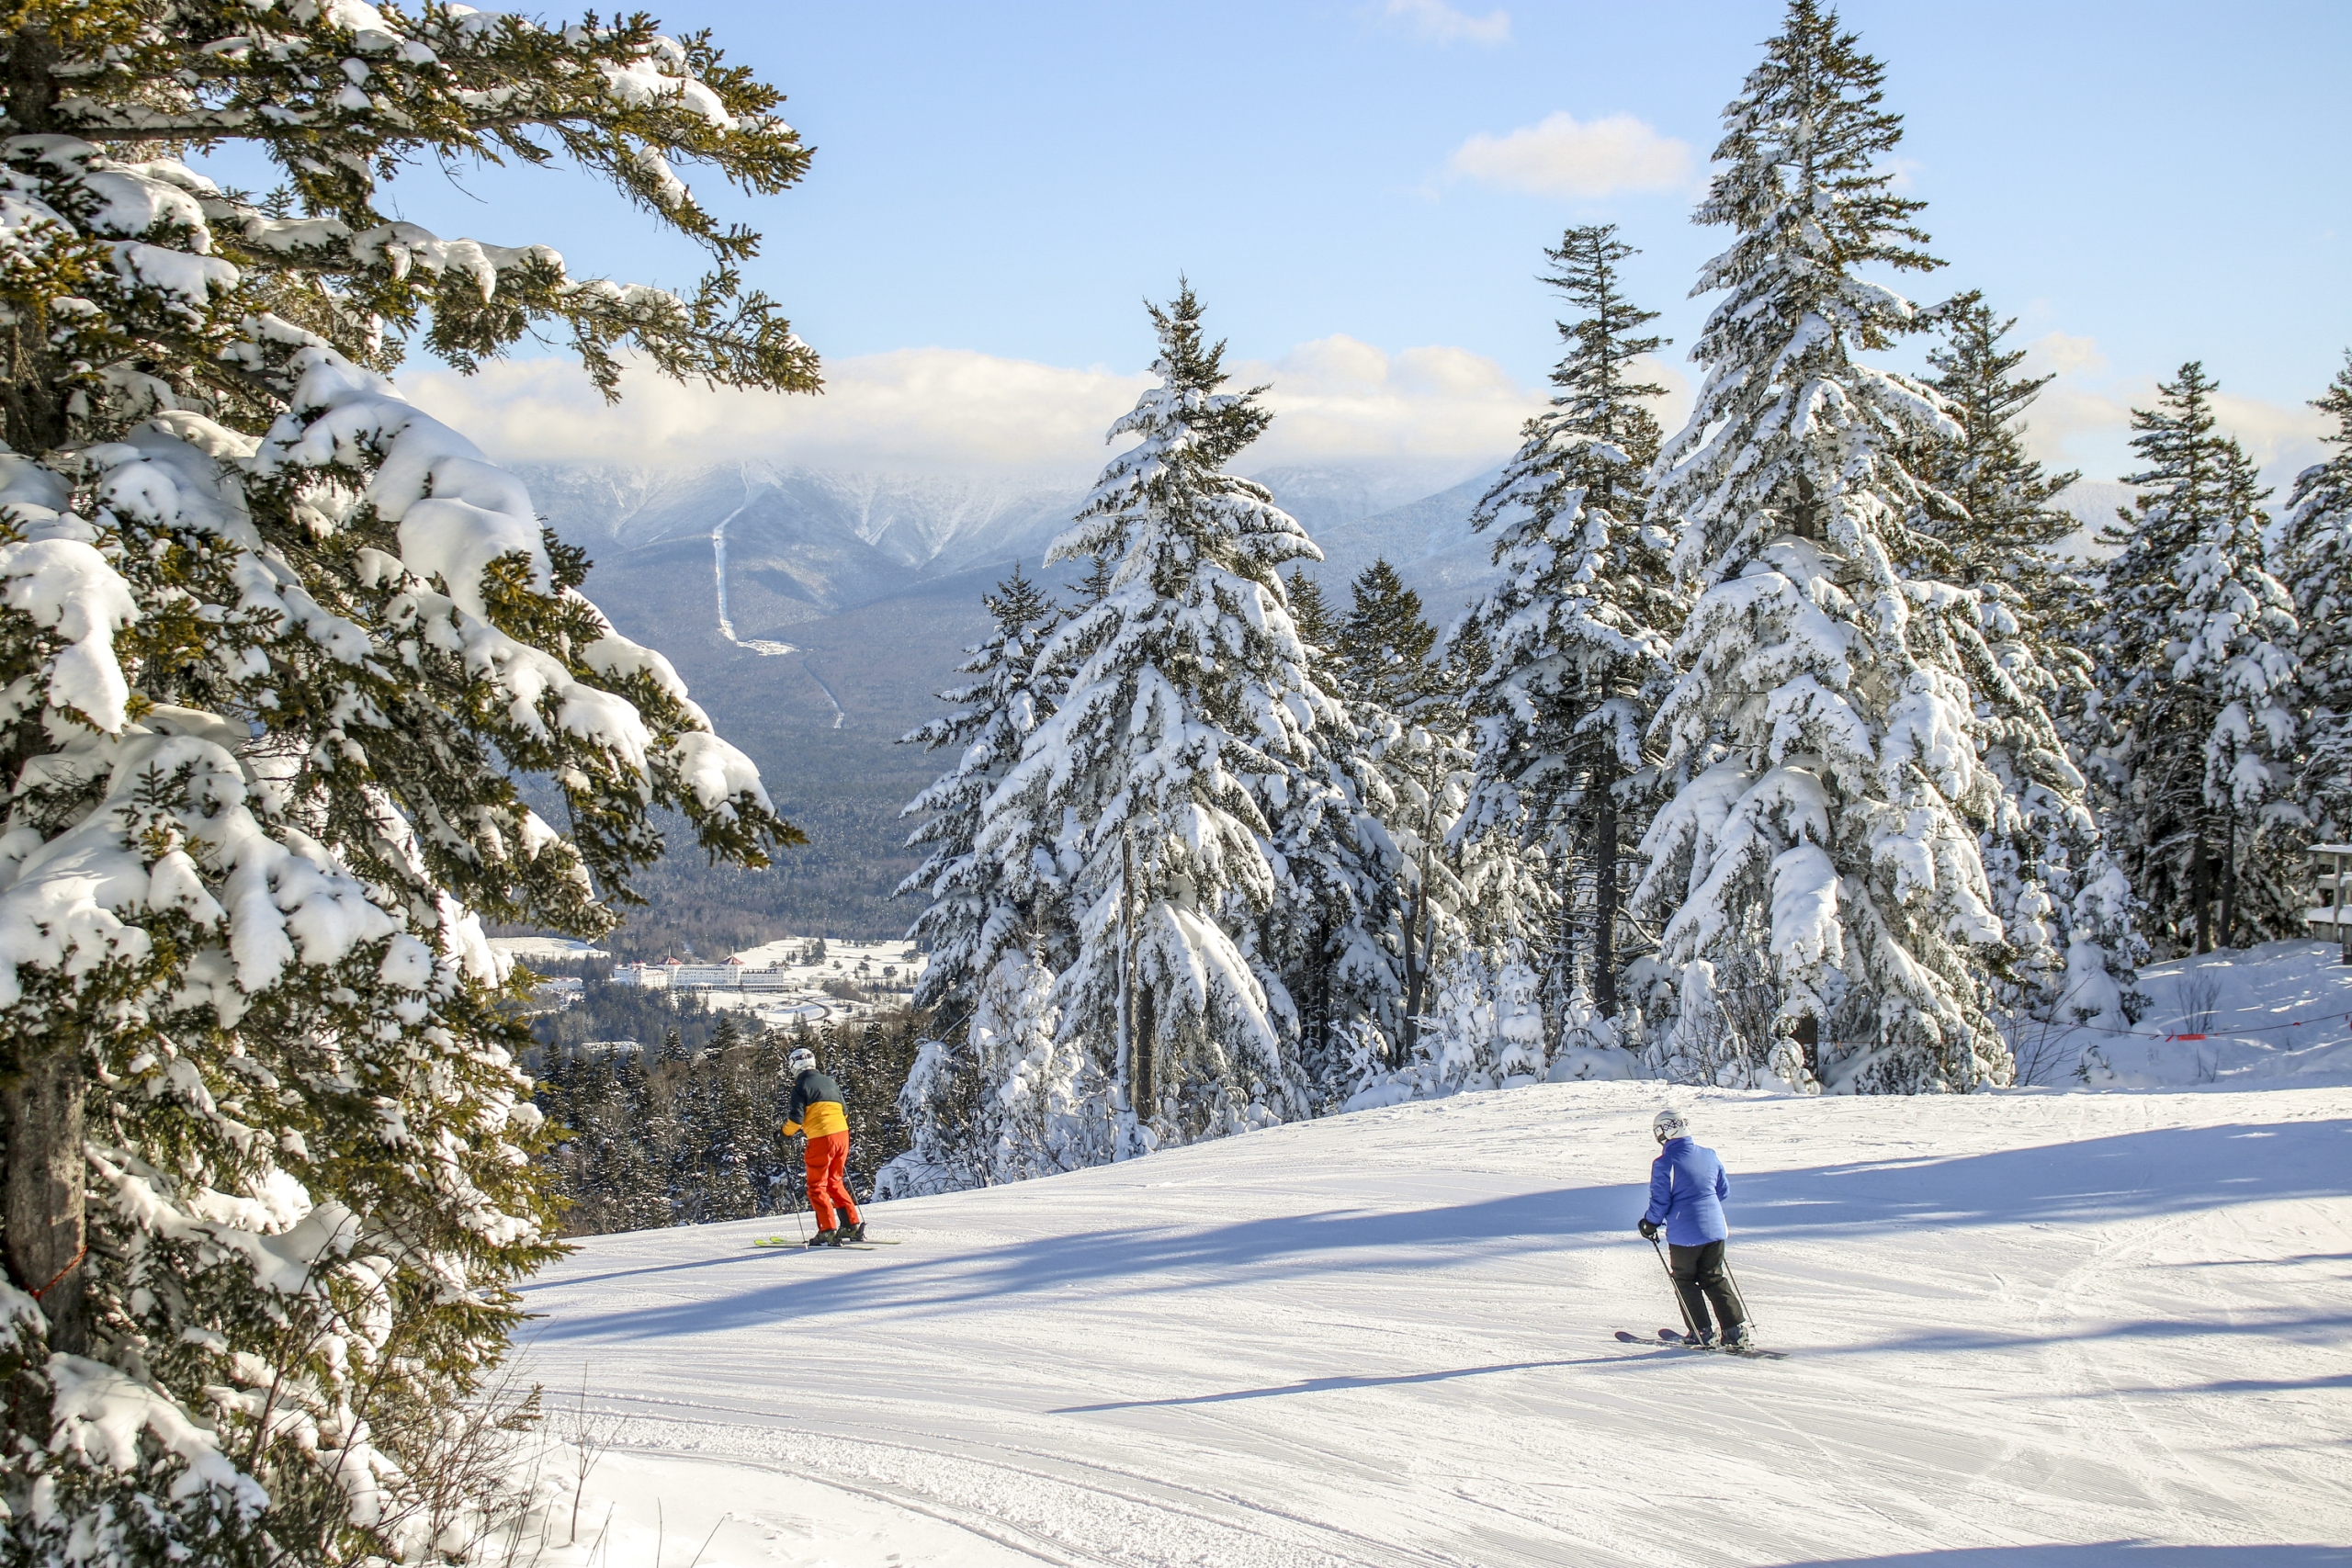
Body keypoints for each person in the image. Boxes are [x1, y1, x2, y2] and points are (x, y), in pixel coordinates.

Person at [1638, 1107, 1751, 1349]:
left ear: (1664, 1131)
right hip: (1716, 1229)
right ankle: (1735, 1331)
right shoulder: (1709, 1155)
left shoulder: (1665, 1162)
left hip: (1686, 1234)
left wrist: (1650, 1223)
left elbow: (1661, 1200)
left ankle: (1701, 1331)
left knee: (1685, 1280)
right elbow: (1723, 1191)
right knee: (1713, 1277)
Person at [781, 1046, 864, 1246]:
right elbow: (845, 1111)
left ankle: (827, 1230)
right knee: (834, 1182)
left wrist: (783, 1134)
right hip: (842, 1135)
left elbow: (796, 1119)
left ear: (793, 1066)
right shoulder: (830, 1082)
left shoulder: (800, 1086)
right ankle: (851, 1225)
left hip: (821, 1138)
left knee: (817, 1186)